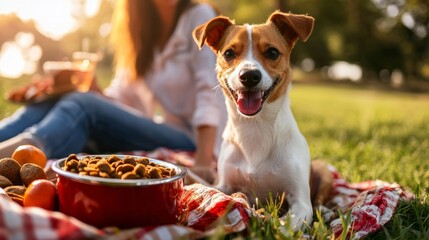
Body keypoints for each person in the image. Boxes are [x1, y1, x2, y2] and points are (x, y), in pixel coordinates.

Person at [0, 0, 226, 183]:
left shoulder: (199, 14)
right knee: (60, 96)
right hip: (165, 127)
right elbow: (122, 98)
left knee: (81, 105)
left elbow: (209, 93)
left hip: (198, 140)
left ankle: (19, 156)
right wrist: (93, 90)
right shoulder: (143, 31)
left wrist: (204, 162)